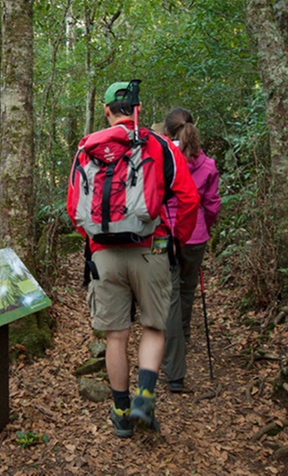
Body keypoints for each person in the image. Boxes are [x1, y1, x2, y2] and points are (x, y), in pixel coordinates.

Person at [67, 82, 199, 438]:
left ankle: (121, 412)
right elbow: (189, 199)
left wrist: (98, 241)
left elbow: (73, 208)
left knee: (116, 336)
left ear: (107, 111)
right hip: (150, 248)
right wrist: (177, 241)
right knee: (154, 327)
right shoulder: (159, 145)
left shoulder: (87, 147)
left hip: (103, 255)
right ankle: (144, 396)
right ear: (137, 108)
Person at [159, 107, 221, 394]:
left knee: (170, 296)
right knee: (186, 290)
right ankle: (182, 335)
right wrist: (203, 228)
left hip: (168, 236)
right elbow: (211, 205)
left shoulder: (161, 159)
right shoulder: (207, 163)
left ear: (168, 132)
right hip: (195, 236)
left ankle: (173, 364)